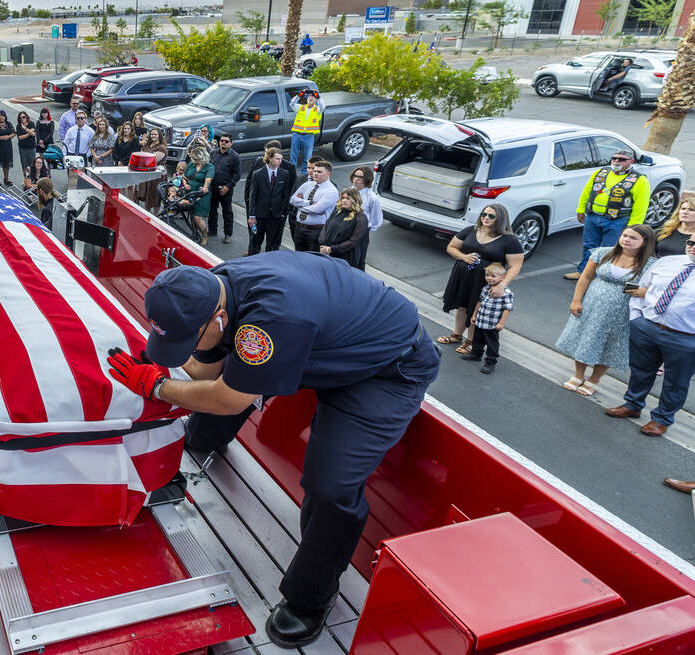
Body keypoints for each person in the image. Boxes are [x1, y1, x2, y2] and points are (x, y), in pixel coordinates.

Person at [105, 256, 439, 649]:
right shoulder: (210, 288)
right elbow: (206, 369)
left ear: (219, 320)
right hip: (327, 339)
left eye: (188, 340)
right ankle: (203, 440)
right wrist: (154, 367)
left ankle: (310, 598)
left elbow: (227, 396)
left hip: (384, 369)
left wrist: (158, 388)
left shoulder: (274, 319)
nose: (185, 350)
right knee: (229, 390)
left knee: (330, 484)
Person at [605, 238, 695, 437]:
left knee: (676, 381)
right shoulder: (668, 262)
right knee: (640, 371)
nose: (693, 248)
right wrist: (636, 319)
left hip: (685, 338)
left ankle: (661, 419)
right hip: (647, 327)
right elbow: (639, 288)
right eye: (691, 242)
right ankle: (633, 405)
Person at [556, 225, 656, 395]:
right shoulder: (604, 252)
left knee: (610, 344)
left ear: (644, 243)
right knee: (584, 338)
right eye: (625, 235)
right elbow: (586, 277)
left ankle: (594, 379)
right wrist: (576, 300)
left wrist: (643, 292)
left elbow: (656, 289)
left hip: (622, 312)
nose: (626, 240)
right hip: (592, 305)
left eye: (633, 238)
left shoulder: (650, 264)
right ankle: (578, 376)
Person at [438, 203, 524, 355]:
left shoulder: (509, 240)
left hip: (486, 281)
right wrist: (464, 257)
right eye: (484, 214)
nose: (486, 218)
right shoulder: (471, 230)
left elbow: (515, 266)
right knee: (462, 306)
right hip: (463, 277)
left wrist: (502, 285)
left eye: (491, 216)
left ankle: (471, 341)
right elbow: (451, 247)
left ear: (500, 219)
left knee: (477, 309)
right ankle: (457, 335)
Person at [564, 147, 649, 280]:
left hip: (617, 220)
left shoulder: (639, 179)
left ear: (631, 161)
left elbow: (641, 204)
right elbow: (587, 191)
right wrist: (580, 210)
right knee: (589, 246)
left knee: (608, 250)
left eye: (621, 159)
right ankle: (583, 273)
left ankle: (600, 278)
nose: (616, 161)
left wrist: (633, 226)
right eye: (614, 158)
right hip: (593, 217)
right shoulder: (600, 172)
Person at [462, 263, 514, 374]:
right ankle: (476, 354)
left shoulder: (506, 293)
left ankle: (490, 362)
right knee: (477, 339)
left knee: (492, 343)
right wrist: (474, 315)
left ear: (502, 277)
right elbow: (480, 301)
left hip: (492, 324)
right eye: (487, 275)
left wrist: (501, 323)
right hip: (481, 320)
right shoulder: (486, 288)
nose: (489, 278)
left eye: (493, 276)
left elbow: (507, 308)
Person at [247, 147, 293, 255]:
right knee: (255, 243)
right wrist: (252, 216)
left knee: (272, 245)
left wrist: (282, 213)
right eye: (277, 159)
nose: (280, 161)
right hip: (260, 216)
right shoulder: (258, 174)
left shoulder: (285, 174)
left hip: (275, 216)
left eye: (281, 159)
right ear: (270, 158)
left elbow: (285, 196)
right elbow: (253, 196)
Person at [288, 161, 338, 251]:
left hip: (316, 231)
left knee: (312, 258)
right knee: (298, 256)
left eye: (319, 172)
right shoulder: (307, 185)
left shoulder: (331, 191)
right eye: (315, 171)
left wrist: (300, 205)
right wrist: (309, 203)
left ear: (328, 174)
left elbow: (317, 209)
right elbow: (292, 200)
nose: (315, 173)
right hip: (299, 228)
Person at [318, 187, 369, 269]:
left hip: (344, 257)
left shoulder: (360, 218)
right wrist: (323, 244)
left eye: (348, 198)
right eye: (343, 198)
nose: (344, 200)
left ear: (355, 200)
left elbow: (353, 241)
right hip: (326, 251)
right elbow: (326, 226)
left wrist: (331, 249)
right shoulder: (338, 210)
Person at [244, 140, 297, 217]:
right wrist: (248, 203)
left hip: (278, 213)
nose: (266, 156)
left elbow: (291, 190)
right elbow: (249, 185)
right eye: (265, 153)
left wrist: (284, 209)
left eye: (268, 153)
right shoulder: (257, 163)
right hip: (259, 211)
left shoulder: (289, 168)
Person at [206, 134, 241, 245]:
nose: (223, 143)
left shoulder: (235, 156)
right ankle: (212, 230)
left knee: (227, 212)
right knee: (212, 209)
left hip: (226, 188)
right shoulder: (213, 153)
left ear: (231, 143)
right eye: (222, 141)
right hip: (213, 187)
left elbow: (237, 175)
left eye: (226, 141)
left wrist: (228, 186)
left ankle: (227, 234)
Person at [351, 166, 382, 269]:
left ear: (367, 179)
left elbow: (376, 218)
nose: (356, 179)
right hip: (346, 227)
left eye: (360, 177)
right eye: (355, 176)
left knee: (358, 259)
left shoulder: (372, 198)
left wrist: (367, 228)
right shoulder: (349, 191)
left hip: (361, 232)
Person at [184, 144, 215, 245]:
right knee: (191, 215)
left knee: (198, 217)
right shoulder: (191, 164)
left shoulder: (209, 167)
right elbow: (184, 177)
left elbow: (208, 178)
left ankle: (204, 235)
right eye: (193, 159)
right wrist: (185, 184)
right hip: (190, 193)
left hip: (201, 195)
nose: (194, 161)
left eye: (196, 159)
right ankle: (194, 232)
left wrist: (205, 187)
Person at [288, 91, 322, 180]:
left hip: (308, 136)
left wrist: (319, 97)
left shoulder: (317, 109)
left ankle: (304, 174)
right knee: (293, 155)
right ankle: (291, 173)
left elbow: (323, 106)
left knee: (307, 156)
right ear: (307, 99)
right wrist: (299, 95)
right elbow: (292, 103)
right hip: (296, 135)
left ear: (315, 100)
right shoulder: (301, 107)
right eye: (309, 97)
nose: (310, 98)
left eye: (313, 97)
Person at [140, 128, 169, 210]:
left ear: (159, 135)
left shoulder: (162, 147)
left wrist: (144, 158)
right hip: (147, 172)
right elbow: (141, 156)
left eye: (155, 134)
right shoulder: (147, 145)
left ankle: (156, 216)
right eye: (152, 134)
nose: (153, 136)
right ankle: (147, 213)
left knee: (155, 195)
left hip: (157, 173)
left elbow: (153, 160)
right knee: (147, 194)